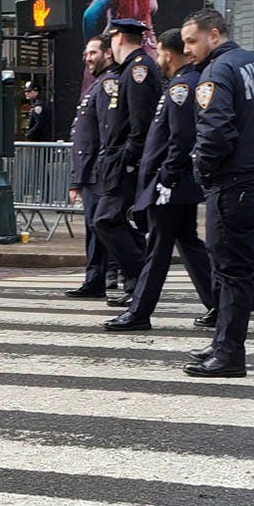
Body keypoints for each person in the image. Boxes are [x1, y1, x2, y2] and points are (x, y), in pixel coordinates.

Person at [181, 8, 254, 377]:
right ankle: (222, 344)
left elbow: (216, 130)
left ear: (214, 34)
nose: (188, 49)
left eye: (192, 41)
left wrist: (204, 172)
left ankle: (229, 354)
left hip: (234, 183)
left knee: (230, 271)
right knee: (236, 270)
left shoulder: (216, 71)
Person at [103, 27, 212, 331]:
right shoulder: (185, 82)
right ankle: (216, 301)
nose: (158, 57)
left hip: (170, 184)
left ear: (168, 52)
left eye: (160, 51)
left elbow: (180, 138)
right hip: (176, 183)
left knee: (158, 249)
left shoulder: (181, 86)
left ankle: (139, 312)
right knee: (187, 242)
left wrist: (165, 178)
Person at [94, 18, 159, 308]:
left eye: (112, 36)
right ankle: (136, 284)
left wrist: (127, 159)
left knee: (106, 220)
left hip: (127, 161)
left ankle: (141, 277)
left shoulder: (138, 69)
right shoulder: (128, 69)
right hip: (119, 158)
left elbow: (140, 122)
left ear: (119, 37)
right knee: (115, 221)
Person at [66, 36, 118, 299]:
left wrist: (84, 175)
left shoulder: (107, 84)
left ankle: (108, 274)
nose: (88, 58)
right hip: (91, 172)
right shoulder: (96, 84)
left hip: (99, 172)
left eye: (93, 52)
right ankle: (96, 277)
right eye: (86, 53)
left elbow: (104, 132)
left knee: (102, 227)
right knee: (95, 228)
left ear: (108, 54)